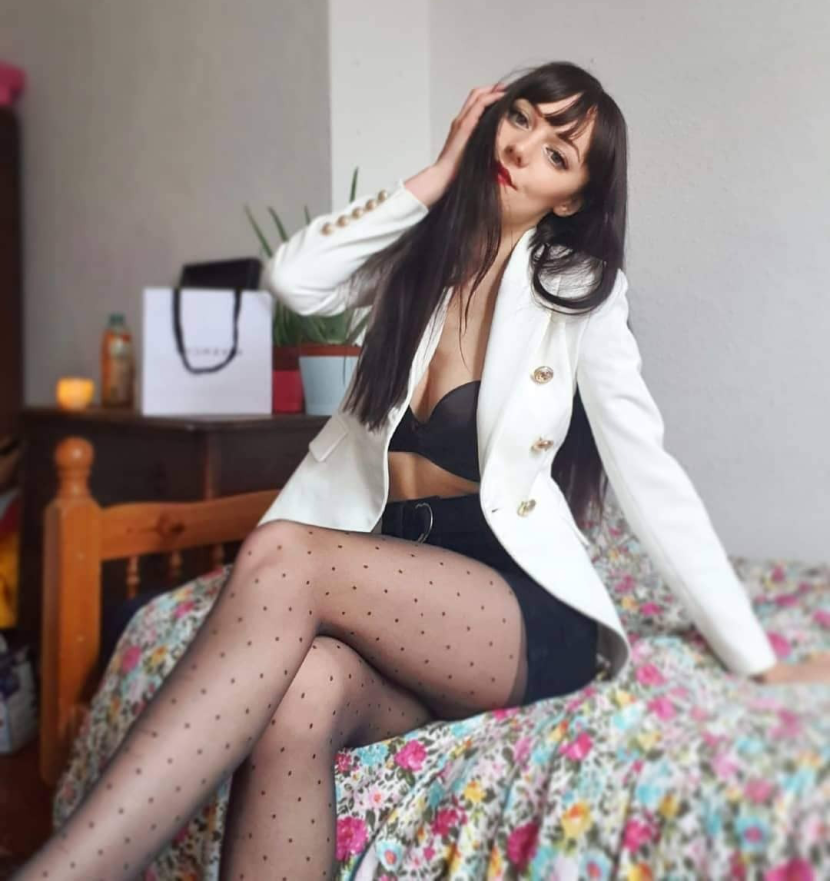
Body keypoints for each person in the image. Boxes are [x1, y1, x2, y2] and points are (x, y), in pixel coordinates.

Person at [15, 61, 830, 881]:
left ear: (570, 198)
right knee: (299, 698)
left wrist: (752, 654)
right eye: (521, 118)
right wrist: (434, 179)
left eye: (558, 154)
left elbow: (649, 472)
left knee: (284, 554)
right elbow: (292, 279)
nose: (524, 149)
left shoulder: (580, 290)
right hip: (398, 585)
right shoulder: (420, 253)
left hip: (512, 606)